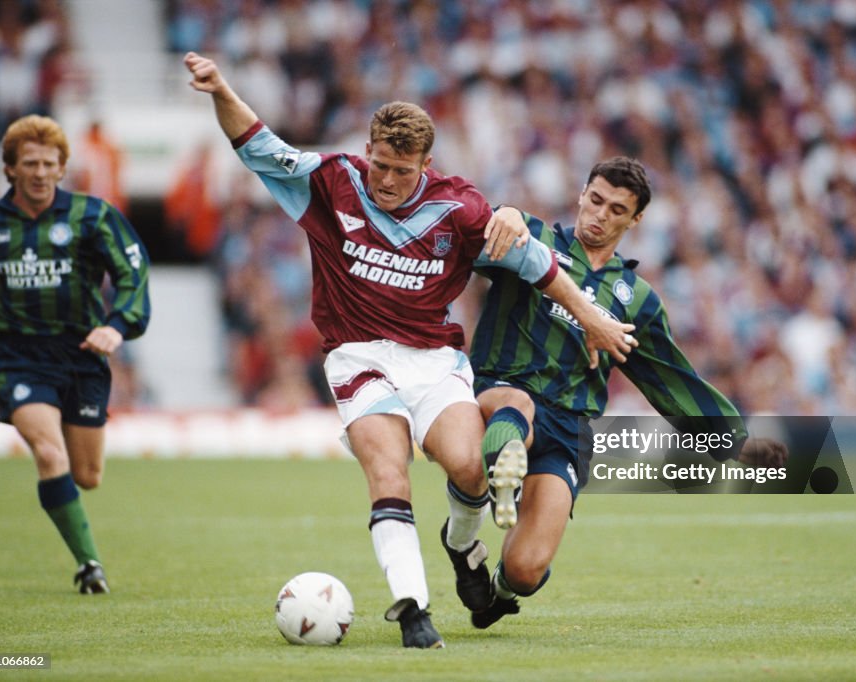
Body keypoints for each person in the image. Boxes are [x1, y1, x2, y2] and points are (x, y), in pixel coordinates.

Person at [183, 52, 634, 649]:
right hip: (355, 356)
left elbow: (541, 265)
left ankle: (461, 546)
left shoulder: (462, 209)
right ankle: (414, 608)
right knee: (388, 469)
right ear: (368, 150)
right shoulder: (332, 179)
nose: (386, 180)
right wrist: (219, 88)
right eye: (380, 164)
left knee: (471, 466)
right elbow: (255, 141)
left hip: (432, 359)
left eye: (401, 170)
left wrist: (593, 318)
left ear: (426, 163)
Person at [468, 156, 788, 628]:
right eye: (595, 200)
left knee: (526, 569)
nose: (600, 215)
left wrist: (734, 442)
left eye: (617, 210)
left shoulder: (636, 298)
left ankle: (497, 586)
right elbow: (468, 238)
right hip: (503, 393)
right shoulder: (534, 240)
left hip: (569, 425)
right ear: (581, 194)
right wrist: (505, 211)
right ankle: (481, 509)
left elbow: (670, 378)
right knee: (515, 410)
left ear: (636, 219)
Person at [0, 114, 151, 594]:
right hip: (18, 354)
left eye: (49, 163)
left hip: (82, 352)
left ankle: (77, 530)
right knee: (50, 454)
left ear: (62, 166)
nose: (40, 172)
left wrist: (117, 326)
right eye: (30, 163)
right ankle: (89, 565)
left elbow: (133, 272)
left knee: (86, 475)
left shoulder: (91, 216)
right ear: (10, 168)